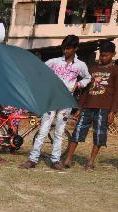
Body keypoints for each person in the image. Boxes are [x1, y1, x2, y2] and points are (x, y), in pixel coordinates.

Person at [20, 35, 91, 170]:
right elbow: (40, 70)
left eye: (69, 48)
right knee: (43, 129)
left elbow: (88, 78)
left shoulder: (81, 65)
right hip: (51, 99)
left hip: (66, 102)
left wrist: (78, 84)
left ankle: (55, 160)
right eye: (64, 48)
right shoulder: (54, 62)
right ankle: (32, 159)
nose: (65, 51)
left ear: (76, 48)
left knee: (59, 131)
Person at [64, 40, 118, 171]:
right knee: (77, 132)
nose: (103, 57)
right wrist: (79, 107)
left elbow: (117, 92)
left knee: (99, 135)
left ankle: (90, 162)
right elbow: (86, 91)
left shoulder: (116, 70)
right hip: (87, 106)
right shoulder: (92, 69)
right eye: (101, 55)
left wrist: (113, 111)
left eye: (106, 55)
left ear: (113, 54)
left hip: (104, 108)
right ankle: (68, 159)